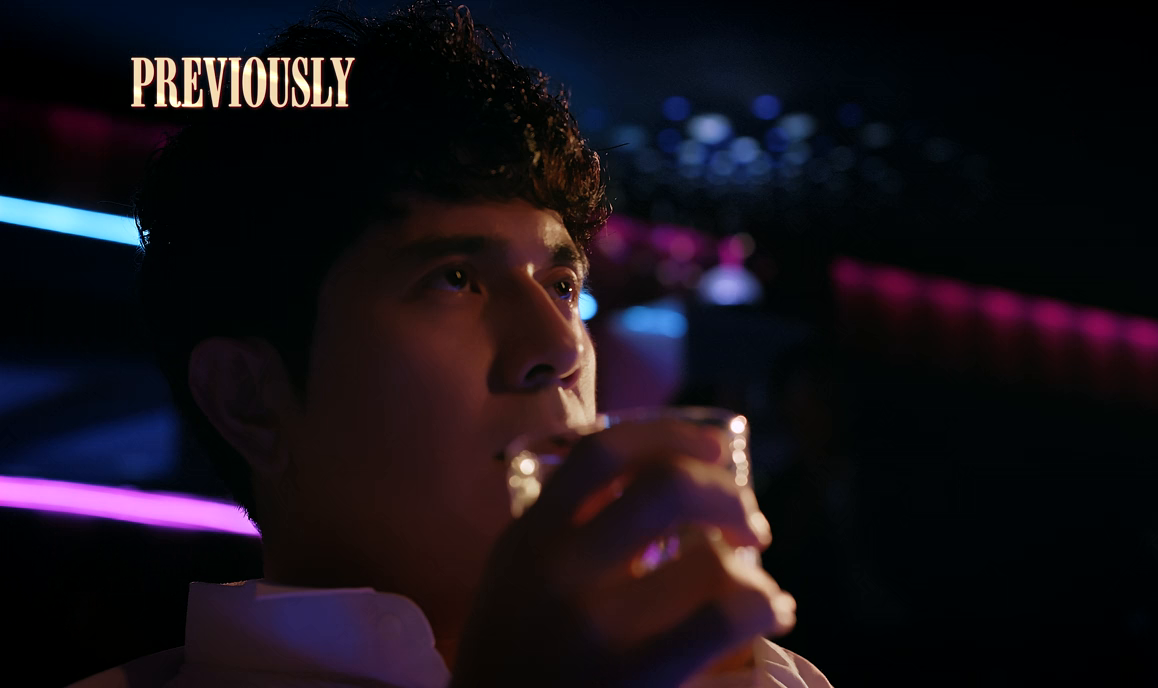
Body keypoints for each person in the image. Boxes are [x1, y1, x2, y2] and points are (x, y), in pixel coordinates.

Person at [68, 2, 832, 686]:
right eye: (455, 278)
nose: (560, 346)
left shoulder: (763, 675)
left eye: (562, 285)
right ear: (249, 398)